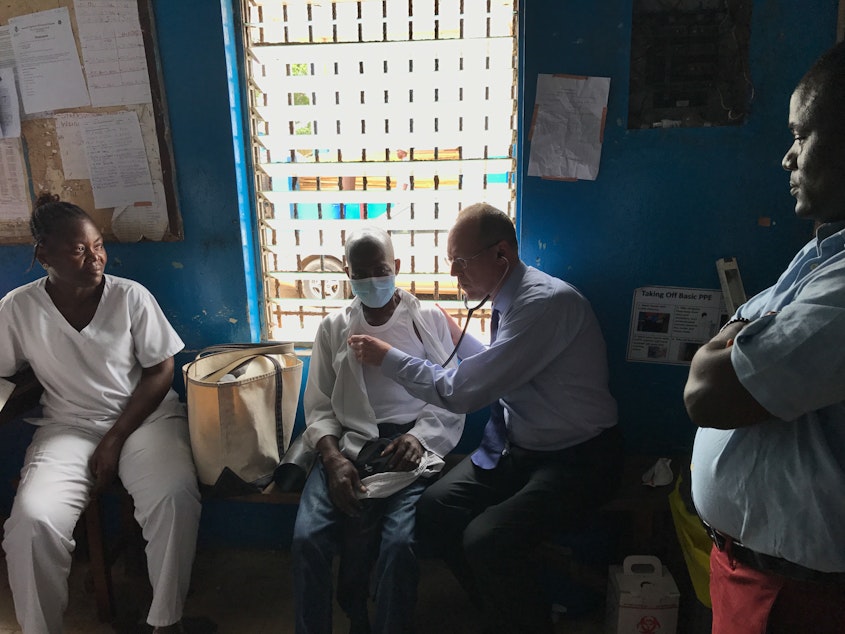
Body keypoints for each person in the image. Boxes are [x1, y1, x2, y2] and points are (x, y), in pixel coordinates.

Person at [349, 203, 622, 634]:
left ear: (501, 254)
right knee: (435, 510)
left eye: (460, 262)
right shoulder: (507, 300)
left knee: (487, 539)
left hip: (578, 457)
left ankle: (527, 622)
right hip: (520, 447)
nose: (455, 275)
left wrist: (390, 359)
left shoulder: (544, 304)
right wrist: (458, 340)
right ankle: (497, 607)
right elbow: (502, 367)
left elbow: (465, 392)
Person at [683, 41, 845, 634]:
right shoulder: (823, 254)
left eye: (802, 136)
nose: (787, 158)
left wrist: (729, 339)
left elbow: (710, 393)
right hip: (756, 573)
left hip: (800, 597)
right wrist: (734, 339)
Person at [0, 194, 201, 634]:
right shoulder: (18, 308)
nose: (94, 258)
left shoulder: (130, 297)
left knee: (173, 498)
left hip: (144, 420)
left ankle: (167, 621)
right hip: (67, 426)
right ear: (43, 254)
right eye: (77, 249)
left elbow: (161, 369)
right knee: (31, 524)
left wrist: (114, 438)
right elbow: (5, 375)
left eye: (98, 246)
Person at [291, 227, 464, 634]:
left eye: (381, 269)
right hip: (348, 445)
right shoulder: (334, 327)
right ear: (347, 275)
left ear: (397, 267)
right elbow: (318, 405)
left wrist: (419, 438)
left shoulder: (427, 321)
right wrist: (332, 461)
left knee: (400, 545)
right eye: (361, 273)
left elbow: (451, 396)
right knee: (306, 540)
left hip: (408, 448)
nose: (372, 281)